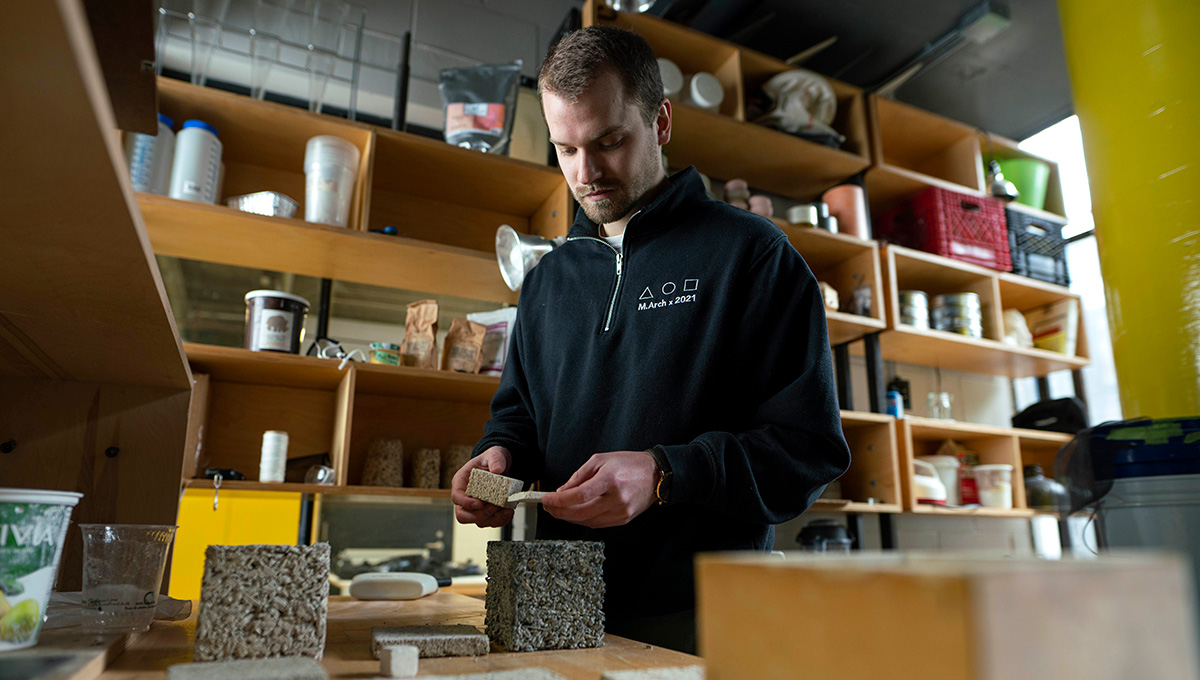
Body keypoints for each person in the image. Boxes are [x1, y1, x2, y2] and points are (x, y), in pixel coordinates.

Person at [450, 25, 851, 654]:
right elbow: (519, 418)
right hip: (554, 609)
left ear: (660, 122)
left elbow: (807, 451)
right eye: (565, 149)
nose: (587, 172)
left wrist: (665, 472)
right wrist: (498, 460)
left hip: (702, 617)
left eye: (609, 142)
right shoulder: (548, 280)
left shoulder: (751, 255)